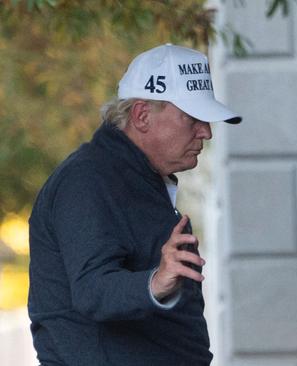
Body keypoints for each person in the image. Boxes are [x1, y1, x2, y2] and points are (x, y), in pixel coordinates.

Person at [28, 44, 241, 366]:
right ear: (142, 115)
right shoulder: (88, 180)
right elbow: (93, 290)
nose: (206, 132)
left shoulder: (134, 177)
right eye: (194, 118)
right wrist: (155, 281)